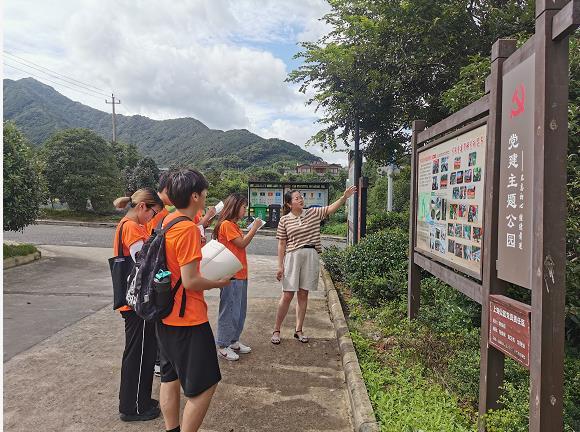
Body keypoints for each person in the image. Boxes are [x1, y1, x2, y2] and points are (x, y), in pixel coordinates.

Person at [156, 169, 232, 432]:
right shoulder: (187, 229)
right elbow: (190, 281)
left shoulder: (167, 221)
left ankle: (171, 429)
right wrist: (218, 282)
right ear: (195, 195)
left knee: (170, 376)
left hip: (164, 314)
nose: (207, 195)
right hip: (187, 318)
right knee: (205, 385)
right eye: (205, 191)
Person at [271, 186, 357, 345]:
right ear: (289, 204)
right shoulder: (284, 220)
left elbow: (330, 209)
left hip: (311, 255)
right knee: (288, 294)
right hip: (293, 256)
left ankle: (299, 330)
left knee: (303, 294)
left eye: (301, 197)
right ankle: (277, 329)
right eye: (297, 198)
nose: (301, 199)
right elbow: (282, 244)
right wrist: (280, 266)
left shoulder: (312, 212)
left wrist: (344, 197)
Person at [112, 188, 164, 422]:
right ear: (143, 206)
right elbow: (142, 264)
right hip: (136, 305)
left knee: (142, 352)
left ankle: (138, 399)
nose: (152, 218)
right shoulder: (132, 227)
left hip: (134, 303)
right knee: (139, 355)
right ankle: (133, 407)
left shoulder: (133, 224)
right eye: (153, 212)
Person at [212, 193, 262, 361]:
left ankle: (233, 340)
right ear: (234, 207)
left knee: (239, 311)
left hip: (239, 273)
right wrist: (254, 228)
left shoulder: (232, 224)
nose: (245, 210)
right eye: (243, 207)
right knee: (229, 311)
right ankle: (223, 345)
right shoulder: (226, 224)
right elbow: (241, 243)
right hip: (231, 275)